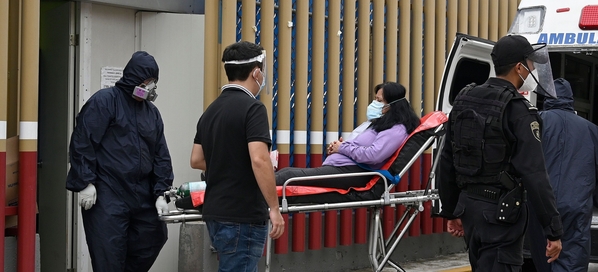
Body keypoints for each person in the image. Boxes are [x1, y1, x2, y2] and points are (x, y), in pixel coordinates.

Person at [437, 34, 563, 271]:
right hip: (501, 215)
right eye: (530, 63)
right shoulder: (518, 110)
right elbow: (534, 174)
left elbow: (447, 160)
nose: (533, 69)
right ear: (519, 67)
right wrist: (553, 230)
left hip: (469, 210)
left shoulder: (464, 99)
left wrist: (451, 211)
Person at [66, 51, 173, 271]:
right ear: (134, 80)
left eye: (153, 83)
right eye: (146, 83)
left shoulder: (151, 113)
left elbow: (161, 154)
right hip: (108, 193)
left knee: (153, 238)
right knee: (109, 255)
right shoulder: (105, 101)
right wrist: (85, 181)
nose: (150, 88)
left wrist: (161, 192)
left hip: (142, 194)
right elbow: (83, 141)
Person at [191, 41, 285, 272]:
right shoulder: (253, 109)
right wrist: (274, 208)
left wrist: (230, 161)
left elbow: (196, 159)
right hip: (243, 215)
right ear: (255, 72)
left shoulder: (210, 111)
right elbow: (259, 159)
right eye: (262, 70)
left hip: (215, 211)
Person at [523, 78, 598, 272]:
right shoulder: (593, 131)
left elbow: (520, 161)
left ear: (546, 98)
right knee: (572, 259)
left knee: (544, 259)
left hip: (540, 205)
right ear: (570, 100)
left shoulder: (534, 123)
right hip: (576, 206)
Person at [276, 81, 419, 189]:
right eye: (375, 99)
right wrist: (340, 147)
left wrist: (342, 148)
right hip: (345, 168)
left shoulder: (397, 129)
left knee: (287, 176)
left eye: (379, 101)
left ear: (393, 105)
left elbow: (374, 155)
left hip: (354, 173)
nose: (374, 103)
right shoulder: (380, 124)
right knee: (286, 171)